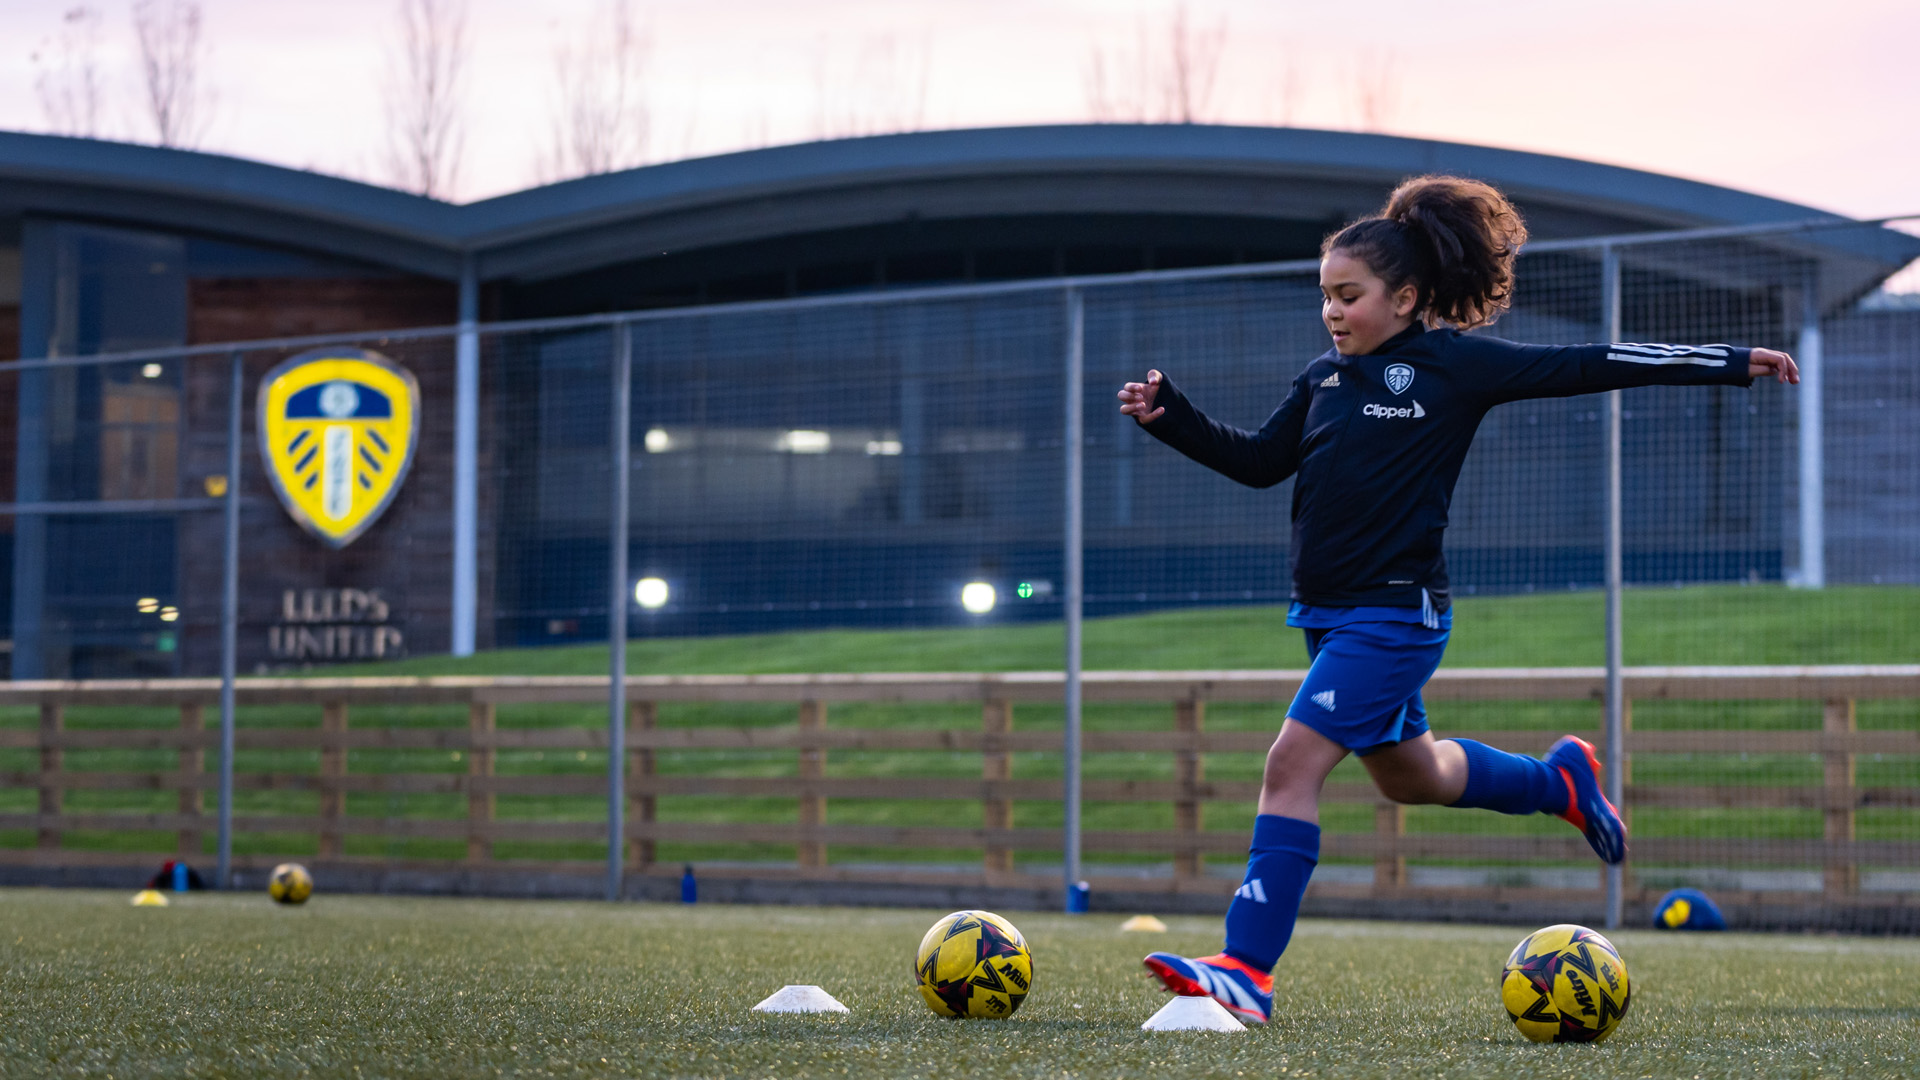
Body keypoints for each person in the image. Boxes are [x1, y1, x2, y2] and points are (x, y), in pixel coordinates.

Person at [1117, 175, 1798, 1024]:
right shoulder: (1323, 381)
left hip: (1396, 615)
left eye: (1349, 295)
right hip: (1330, 619)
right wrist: (1171, 418)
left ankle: (1246, 969)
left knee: (1290, 767)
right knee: (1414, 775)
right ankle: (1561, 785)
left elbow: (1591, 363)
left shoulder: (1453, 367)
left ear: (1405, 297)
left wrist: (1730, 361)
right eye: (1324, 296)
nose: (1332, 312)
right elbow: (1260, 461)